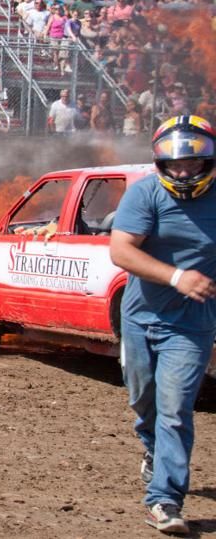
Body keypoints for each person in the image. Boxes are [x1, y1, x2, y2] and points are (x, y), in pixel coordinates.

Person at [110, 116, 216, 535]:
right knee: (144, 400)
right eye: (174, 166)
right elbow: (121, 250)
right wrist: (176, 276)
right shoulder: (145, 194)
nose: (183, 173)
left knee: (176, 410)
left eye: (192, 165)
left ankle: (164, 500)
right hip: (139, 319)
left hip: (191, 326)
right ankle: (153, 450)